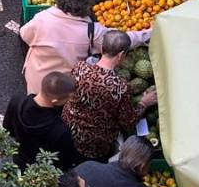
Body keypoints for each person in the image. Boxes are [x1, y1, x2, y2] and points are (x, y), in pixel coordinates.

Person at [20, 0, 150, 95]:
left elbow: (24, 34)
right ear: (87, 7)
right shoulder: (92, 31)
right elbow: (122, 40)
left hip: (35, 79)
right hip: (62, 87)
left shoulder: (42, 17)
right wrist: (150, 32)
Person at [65, 31, 157, 160]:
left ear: (102, 48)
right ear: (121, 55)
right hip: (95, 143)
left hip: (68, 130)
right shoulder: (120, 87)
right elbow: (129, 122)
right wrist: (144, 103)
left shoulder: (79, 67)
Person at [3, 71, 81, 170]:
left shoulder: (17, 100)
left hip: (19, 157)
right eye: (67, 99)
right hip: (42, 170)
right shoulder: (60, 130)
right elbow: (66, 160)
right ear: (55, 101)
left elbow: (8, 128)